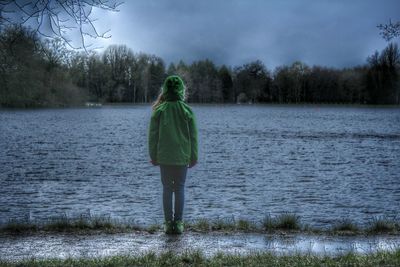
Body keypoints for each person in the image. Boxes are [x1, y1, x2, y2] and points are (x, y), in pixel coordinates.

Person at [148, 75, 198, 235]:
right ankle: (179, 223)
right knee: (180, 188)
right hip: (182, 156)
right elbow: (194, 136)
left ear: (165, 90)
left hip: (164, 157)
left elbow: (153, 136)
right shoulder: (187, 110)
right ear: (182, 91)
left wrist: (153, 155)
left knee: (167, 188)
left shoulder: (159, 110)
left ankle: (168, 224)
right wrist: (194, 156)